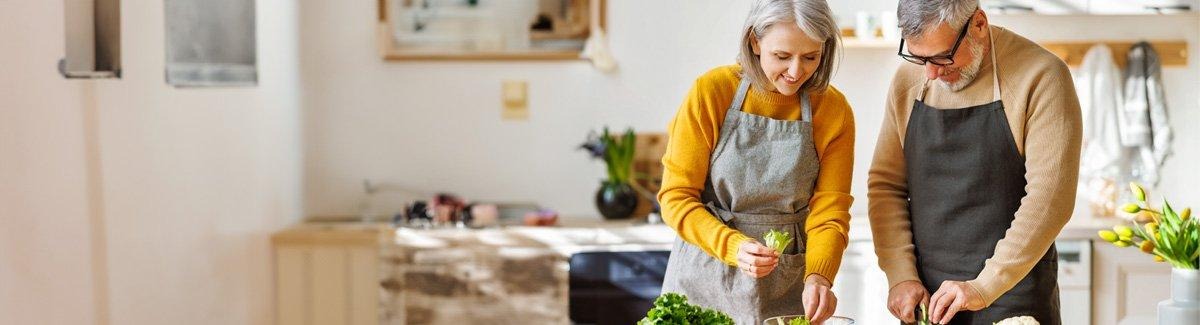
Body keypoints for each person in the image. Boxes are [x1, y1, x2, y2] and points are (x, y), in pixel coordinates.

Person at [868, 1, 1082, 324]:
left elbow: (1050, 200)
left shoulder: (1042, 77)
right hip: (930, 307)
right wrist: (900, 275)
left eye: (942, 57)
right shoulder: (908, 82)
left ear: (978, 24)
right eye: (919, 57)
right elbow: (886, 186)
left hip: (1014, 302)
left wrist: (982, 287)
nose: (931, 72)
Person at [657, 0, 854, 323]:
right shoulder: (713, 91)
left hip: (787, 285)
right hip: (704, 275)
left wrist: (819, 276)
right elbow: (675, 198)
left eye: (810, 57)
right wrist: (731, 245)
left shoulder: (832, 109)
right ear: (755, 41)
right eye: (782, 56)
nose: (795, 72)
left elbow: (830, 210)